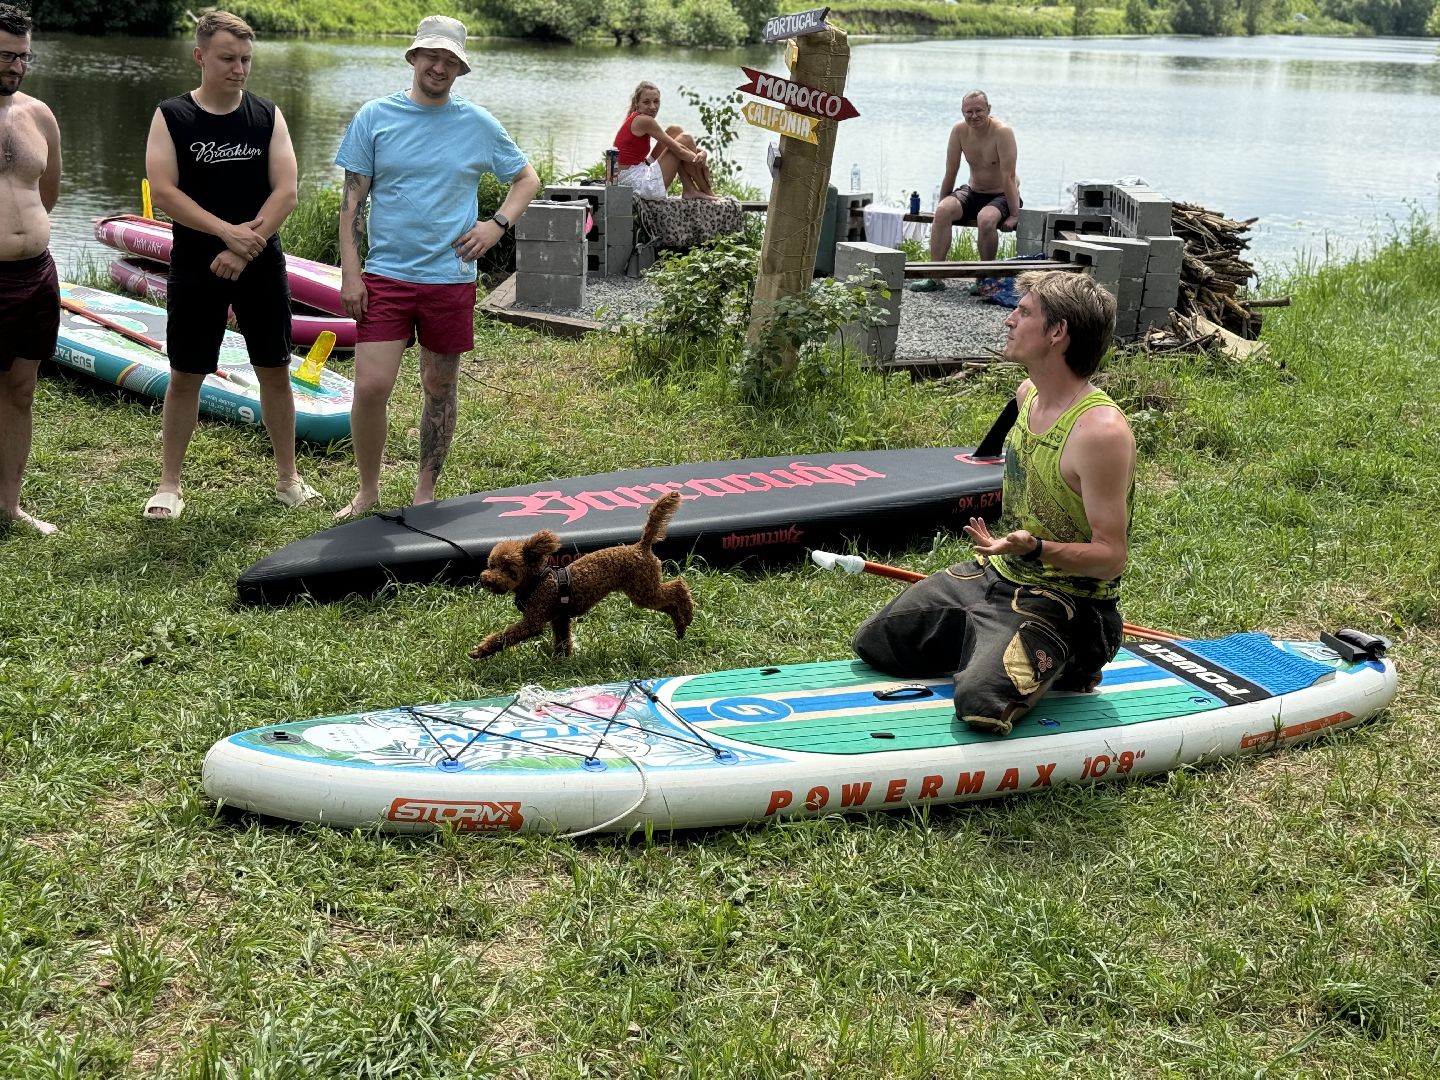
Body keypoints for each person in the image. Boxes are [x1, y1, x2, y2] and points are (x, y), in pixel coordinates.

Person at [852, 270, 1133, 737]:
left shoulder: (1100, 432)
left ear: (1058, 332)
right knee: (877, 643)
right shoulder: (1028, 395)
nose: (1009, 320)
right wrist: (1016, 553)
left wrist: (1036, 548)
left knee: (981, 705)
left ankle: (1070, 658)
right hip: (997, 575)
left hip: (1069, 603)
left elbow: (1111, 557)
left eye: (1024, 312)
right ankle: (993, 645)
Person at [333, 15, 541, 520]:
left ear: (460, 69)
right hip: (386, 275)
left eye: (450, 61)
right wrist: (351, 274)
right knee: (371, 386)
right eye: (432, 56)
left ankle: (425, 491)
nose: (439, 67)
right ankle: (367, 490)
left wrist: (496, 225)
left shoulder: (478, 124)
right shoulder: (374, 117)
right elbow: (351, 205)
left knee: (440, 386)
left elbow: (527, 179)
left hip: (450, 278)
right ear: (414, 57)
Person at [142, 10, 313, 521]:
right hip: (196, 263)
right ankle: (169, 486)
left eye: (245, 60)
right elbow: (164, 192)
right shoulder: (172, 116)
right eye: (227, 59)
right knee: (185, 373)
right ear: (200, 56)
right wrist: (224, 232)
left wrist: (243, 247)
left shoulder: (267, 116)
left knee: (275, 369)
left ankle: (288, 479)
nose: (239, 69)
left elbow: (287, 192)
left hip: (259, 260)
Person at [0, 3, 61, 536]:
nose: (16, 66)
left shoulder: (39, 115)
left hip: (36, 274)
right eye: (5, 56)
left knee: (21, 390)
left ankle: (9, 506)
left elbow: (49, 193)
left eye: (23, 56)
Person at [910, 90, 1021, 292]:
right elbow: (951, 171)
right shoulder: (959, 131)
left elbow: (1009, 177)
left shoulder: (1002, 132)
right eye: (968, 112)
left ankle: (984, 279)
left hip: (1001, 193)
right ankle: (935, 277)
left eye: (979, 110)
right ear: (962, 112)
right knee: (943, 211)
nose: (974, 116)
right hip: (973, 191)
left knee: (985, 219)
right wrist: (941, 205)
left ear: (989, 109)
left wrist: (1014, 214)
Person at [612, 81, 718, 201]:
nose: (653, 107)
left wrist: (702, 153)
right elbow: (680, 150)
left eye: (656, 101)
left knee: (675, 130)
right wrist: (701, 162)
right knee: (685, 138)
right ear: (637, 103)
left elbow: (676, 146)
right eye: (646, 102)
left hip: (634, 172)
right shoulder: (644, 121)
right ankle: (708, 192)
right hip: (636, 184)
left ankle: (689, 189)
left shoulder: (637, 117)